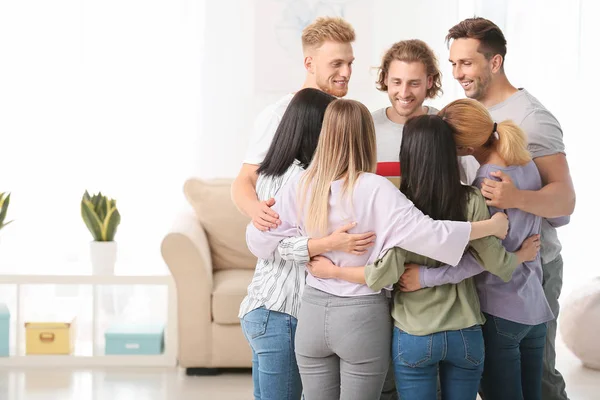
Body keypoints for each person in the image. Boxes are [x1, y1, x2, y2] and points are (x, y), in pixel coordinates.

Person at [245, 99, 509, 400]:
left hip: (312, 316)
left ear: (326, 134)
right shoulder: (376, 188)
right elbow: (431, 234)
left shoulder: (301, 184)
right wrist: (489, 227)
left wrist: (260, 218)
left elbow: (259, 243)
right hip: (361, 318)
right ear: (367, 137)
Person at [306, 113, 539, 400]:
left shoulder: (396, 204)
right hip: (464, 331)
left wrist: (334, 272)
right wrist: (522, 255)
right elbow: (497, 264)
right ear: (451, 153)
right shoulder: (472, 199)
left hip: (414, 333)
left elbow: (381, 275)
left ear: (407, 153)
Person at [446, 18, 576, 399]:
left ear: (495, 62)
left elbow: (565, 202)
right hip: (490, 268)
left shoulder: (532, 118)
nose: (458, 73)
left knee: (541, 381)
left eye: (466, 63)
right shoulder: (465, 114)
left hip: (534, 267)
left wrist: (514, 198)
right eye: (453, 63)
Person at [232, 17, 356, 232]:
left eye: (349, 63)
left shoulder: (346, 115)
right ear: (309, 64)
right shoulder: (278, 115)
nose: (346, 73)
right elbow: (245, 179)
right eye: (336, 64)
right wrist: (256, 210)